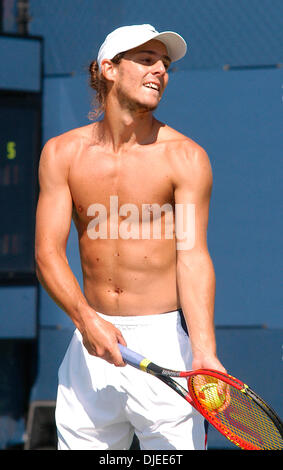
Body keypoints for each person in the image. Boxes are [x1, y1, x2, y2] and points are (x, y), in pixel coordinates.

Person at [35, 24, 226, 450]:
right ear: (109, 68)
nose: (160, 70)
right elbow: (47, 253)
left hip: (163, 345)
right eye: (145, 60)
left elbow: (193, 256)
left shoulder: (186, 157)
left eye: (165, 64)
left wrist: (205, 352)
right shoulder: (61, 154)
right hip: (89, 345)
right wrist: (86, 320)